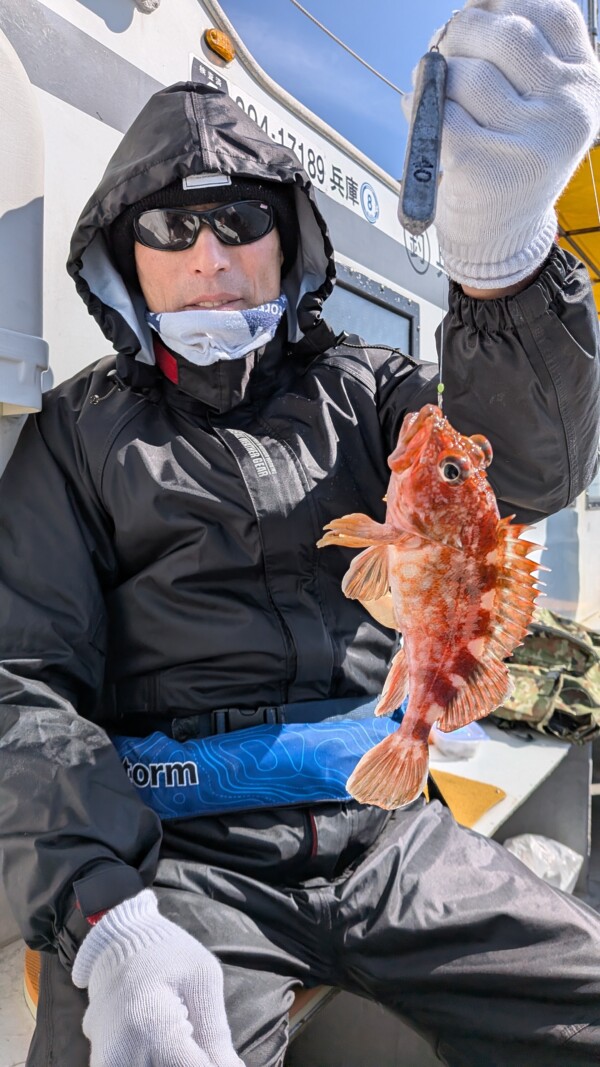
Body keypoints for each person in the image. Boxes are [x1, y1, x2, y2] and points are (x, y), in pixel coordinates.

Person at [1, 1, 600, 1064]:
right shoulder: (76, 435)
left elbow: (524, 468)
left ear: (289, 237)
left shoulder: (374, 393)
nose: (210, 254)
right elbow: (22, 680)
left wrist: (502, 261)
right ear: (121, 257)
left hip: (393, 839)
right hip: (180, 862)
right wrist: (107, 918)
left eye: (240, 218)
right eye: (169, 226)